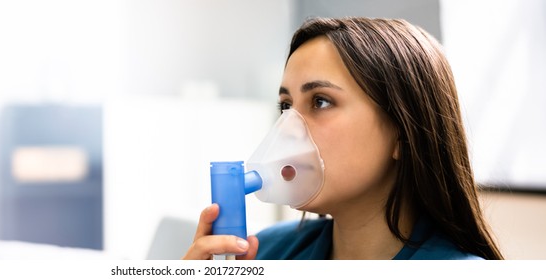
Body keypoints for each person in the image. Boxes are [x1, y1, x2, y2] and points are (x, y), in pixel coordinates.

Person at [182, 17, 503, 260]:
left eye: (320, 101)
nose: (288, 127)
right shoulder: (265, 251)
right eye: (286, 106)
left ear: (403, 134)